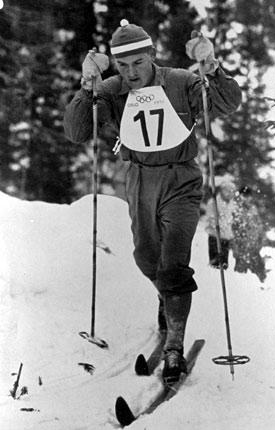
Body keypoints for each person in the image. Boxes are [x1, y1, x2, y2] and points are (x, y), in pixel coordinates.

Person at [63, 20, 242, 384]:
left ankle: (174, 347)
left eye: (138, 63)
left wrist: (211, 67)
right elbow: (78, 131)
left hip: (180, 179)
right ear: (115, 64)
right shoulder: (112, 90)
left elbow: (227, 103)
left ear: (152, 57)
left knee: (173, 262)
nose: (131, 73)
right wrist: (87, 86)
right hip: (140, 179)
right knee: (147, 257)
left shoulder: (180, 81)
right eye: (123, 65)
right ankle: (168, 299)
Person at [232, 186, 267, 282]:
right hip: (242, 248)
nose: (247, 198)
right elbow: (234, 230)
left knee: (260, 274)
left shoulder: (253, 208)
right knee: (241, 276)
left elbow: (259, 225)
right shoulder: (237, 210)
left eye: (249, 196)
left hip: (254, 246)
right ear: (241, 196)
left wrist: (261, 238)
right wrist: (237, 248)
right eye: (245, 196)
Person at [205, 177, 236, 269]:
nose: (230, 193)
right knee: (215, 264)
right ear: (222, 191)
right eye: (228, 191)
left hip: (226, 236)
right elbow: (211, 218)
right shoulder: (213, 202)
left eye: (232, 191)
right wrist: (219, 225)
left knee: (224, 264)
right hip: (215, 235)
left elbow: (232, 218)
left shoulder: (232, 204)